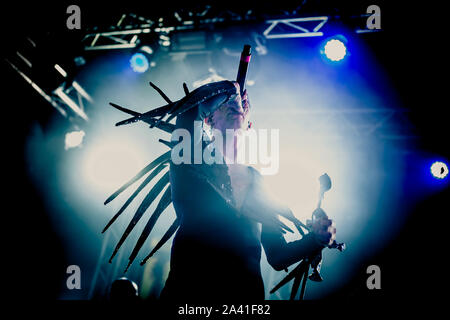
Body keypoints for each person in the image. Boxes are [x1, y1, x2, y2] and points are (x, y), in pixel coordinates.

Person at [159, 80, 336, 301]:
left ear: (249, 124)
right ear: (209, 118)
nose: (235, 105)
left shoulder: (257, 182)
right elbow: (191, 109)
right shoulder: (190, 160)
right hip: (189, 295)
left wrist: (317, 239)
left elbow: (278, 255)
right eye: (225, 105)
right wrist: (227, 89)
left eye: (239, 104)